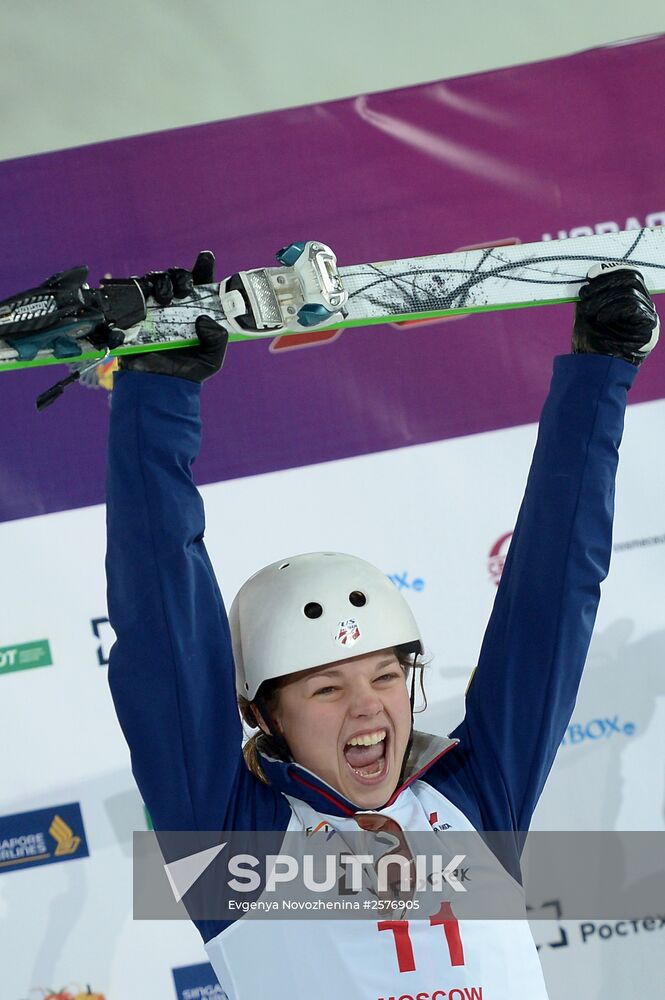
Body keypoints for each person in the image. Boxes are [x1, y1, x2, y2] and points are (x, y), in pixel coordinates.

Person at [105, 257, 659, 1000]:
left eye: (386, 677)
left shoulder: (473, 802)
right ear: (263, 714)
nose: (369, 707)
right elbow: (164, 639)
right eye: (327, 688)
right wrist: (158, 399)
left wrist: (600, 375)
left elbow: (549, 604)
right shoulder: (234, 844)